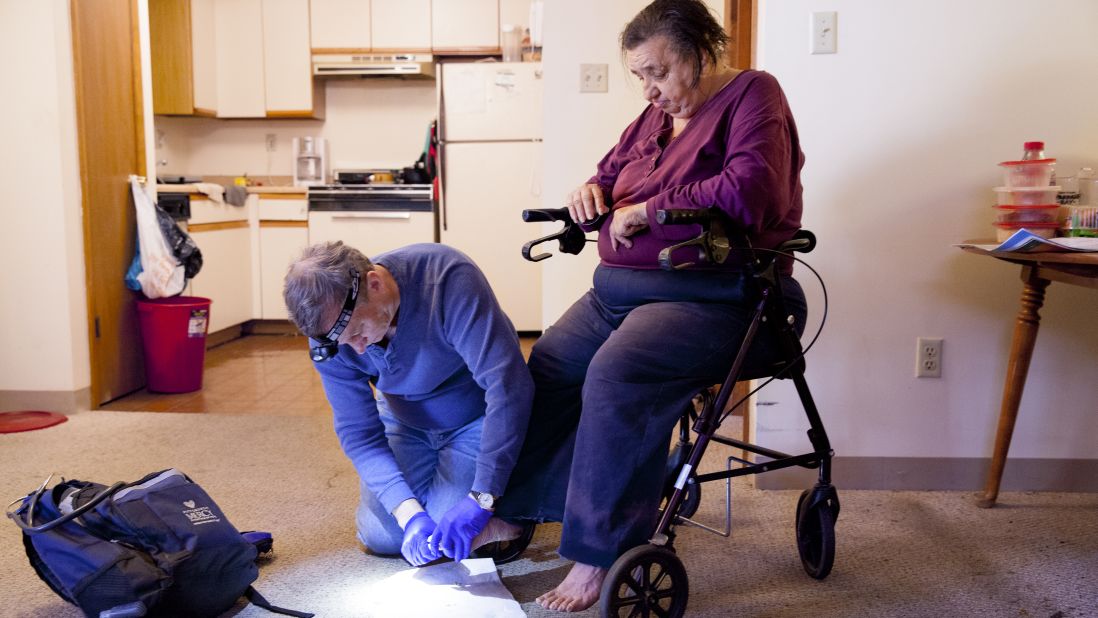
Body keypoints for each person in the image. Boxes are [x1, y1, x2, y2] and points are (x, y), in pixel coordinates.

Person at [492, 0, 809, 612]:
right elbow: (609, 176)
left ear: (700, 54)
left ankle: (598, 553)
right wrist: (593, 190)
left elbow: (754, 190)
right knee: (552, 364)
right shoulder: (650, 121)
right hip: (623, 291)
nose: (649, 89)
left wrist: (651, 210)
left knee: (619, 372)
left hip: (721, 295)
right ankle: (526, 507)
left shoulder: (752, 94)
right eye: (639, 76)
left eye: (658, 72)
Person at [283, 241, 532, 567]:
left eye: (357, 331)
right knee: (383, 537)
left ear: (374, 284)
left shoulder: (447, 278)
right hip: (404, 417)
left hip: (475, 415)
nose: (358, 350)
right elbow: (359, 433)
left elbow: (508, 388)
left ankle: (518, 508)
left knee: (449, 530)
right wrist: (408, 512)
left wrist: (482, 497)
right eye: (345, 342)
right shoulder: (329, 330)